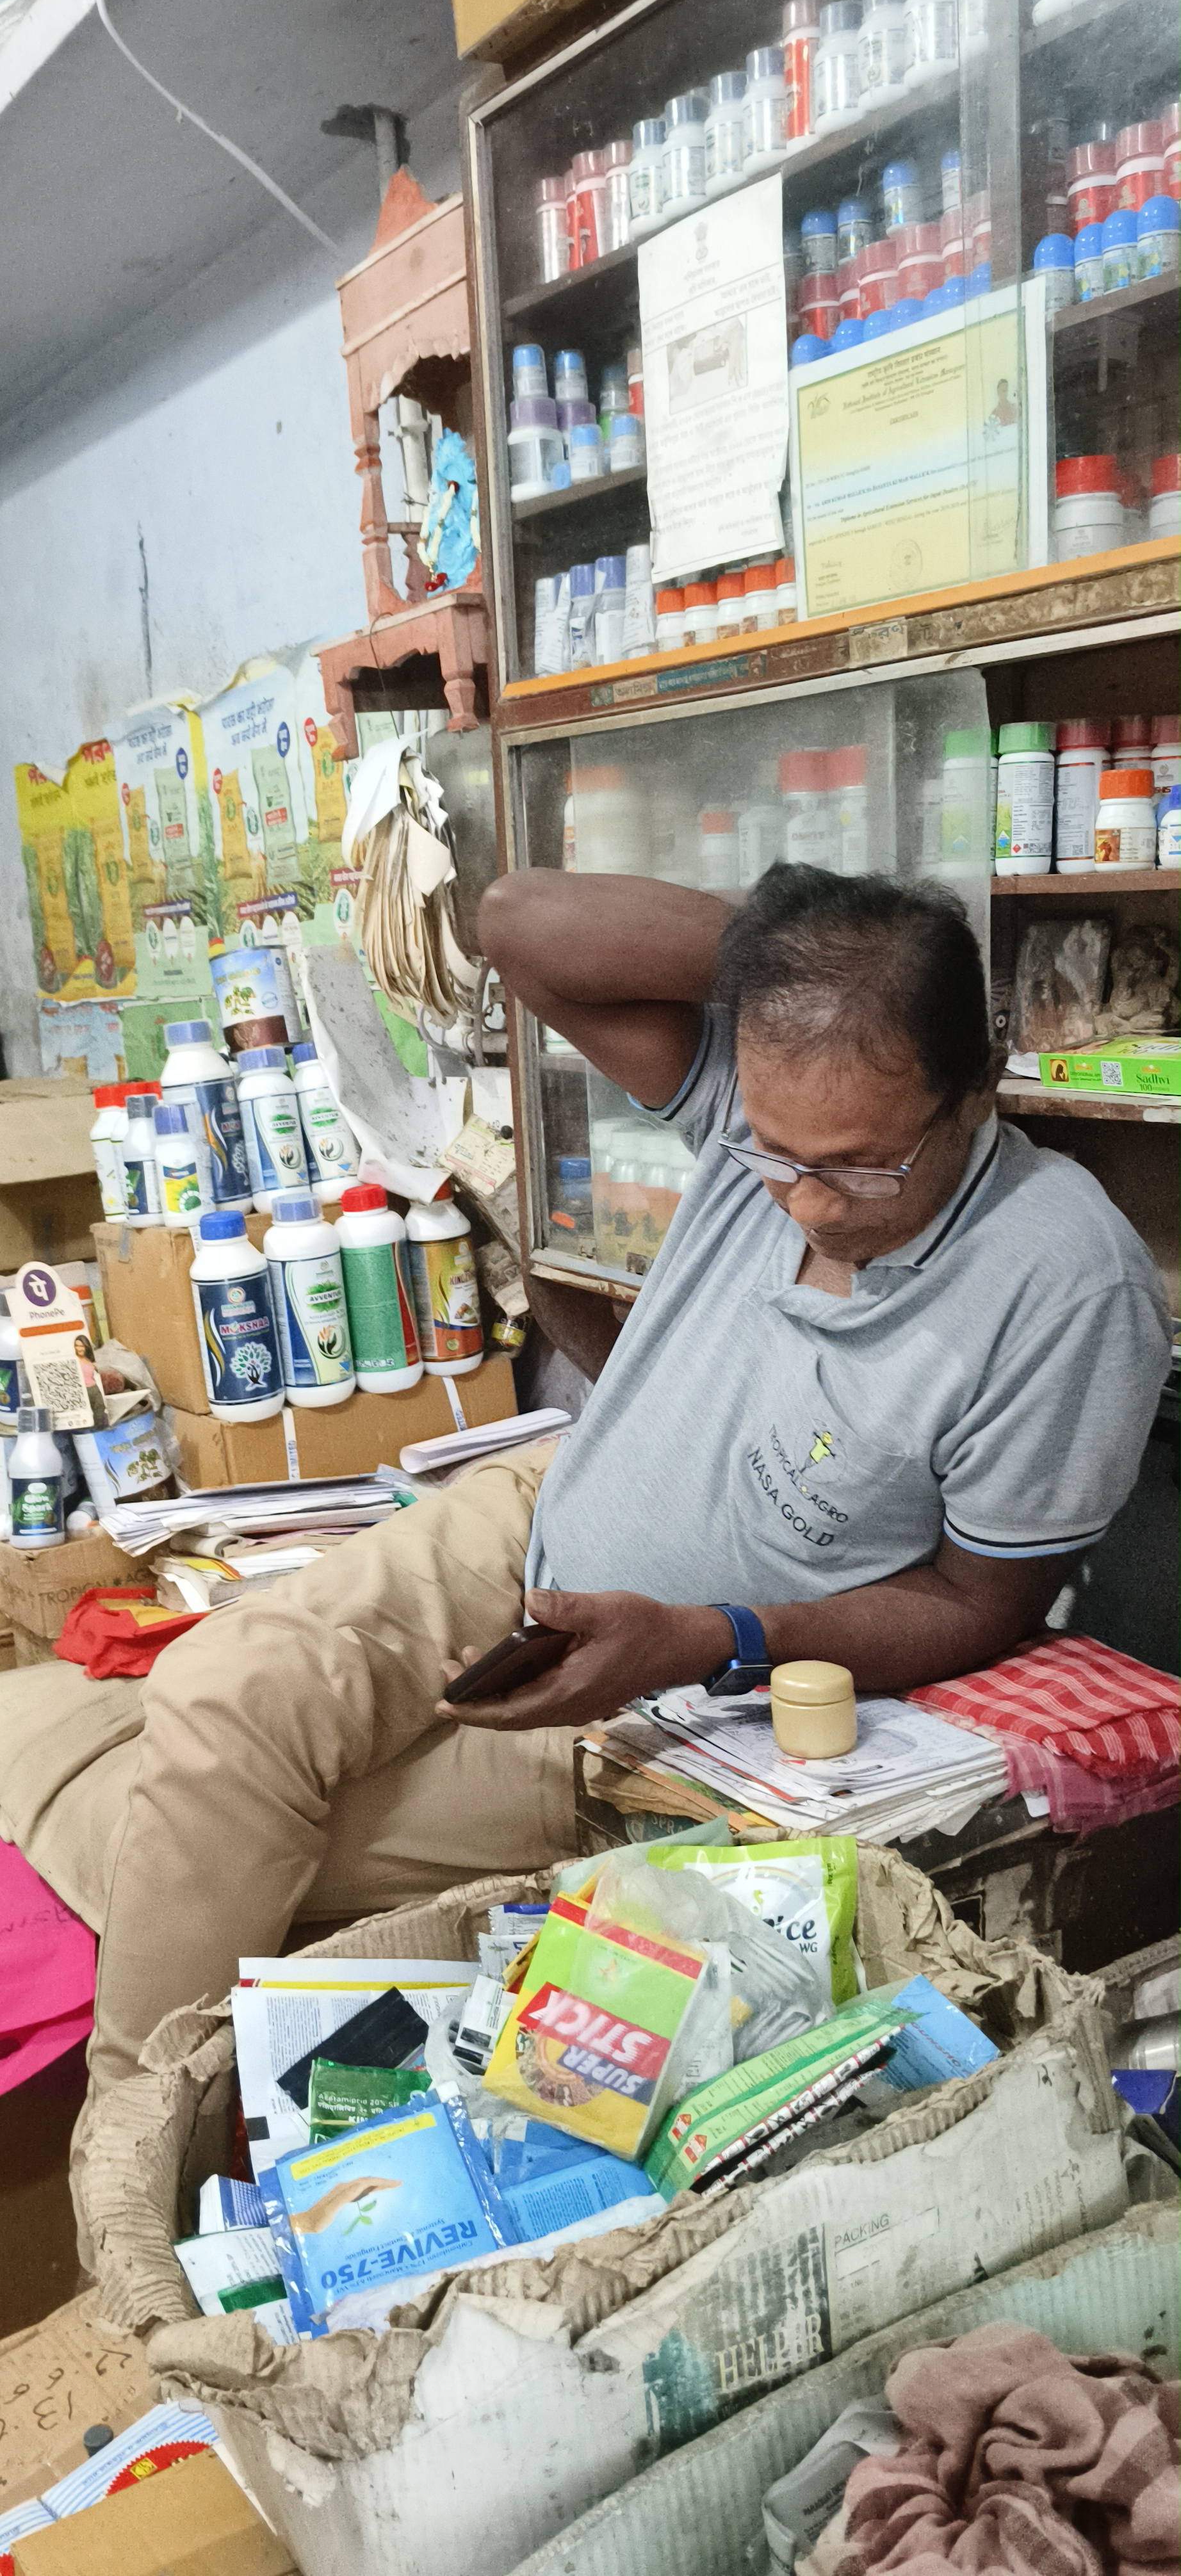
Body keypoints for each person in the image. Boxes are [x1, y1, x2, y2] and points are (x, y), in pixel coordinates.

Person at [76, 865, 1169, 2094]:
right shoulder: (772, 1102)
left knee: (209, 1818)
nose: (809, 1201)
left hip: (672, 1703)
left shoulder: (1063, 1279)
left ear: (977, 1087)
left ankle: (143, 2138)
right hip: (539, 1512)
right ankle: (133, 2143)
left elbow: (980, 1604)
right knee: (219, 1696)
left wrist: (711, 1640)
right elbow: (516, 923)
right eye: (773, 1154)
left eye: (862, 1166)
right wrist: (810, 971)